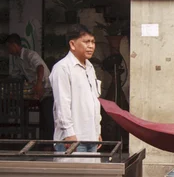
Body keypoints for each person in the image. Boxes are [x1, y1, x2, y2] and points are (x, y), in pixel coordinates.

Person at [50, 24, 102, 152]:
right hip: (73, 139)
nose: (91, 46)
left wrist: (97, 131)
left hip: (91, 137)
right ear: (72, 44)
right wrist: (69, 134)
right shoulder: (62, 68)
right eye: (86, 42)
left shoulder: (90, 67)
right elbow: (62, 103)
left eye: (93, 42)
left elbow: (95, 101)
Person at [5, 33, 54, 140]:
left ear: (14, 45)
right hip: (36, 91)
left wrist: (39, 84)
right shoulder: (18, 60)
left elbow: (40, 67)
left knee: (47, 117)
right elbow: (15, 75)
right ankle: (31, 138)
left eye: (8, 47)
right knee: (26, 108)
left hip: (46, 88)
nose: (8, 50)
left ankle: (48, 143)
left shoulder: (30, 54)